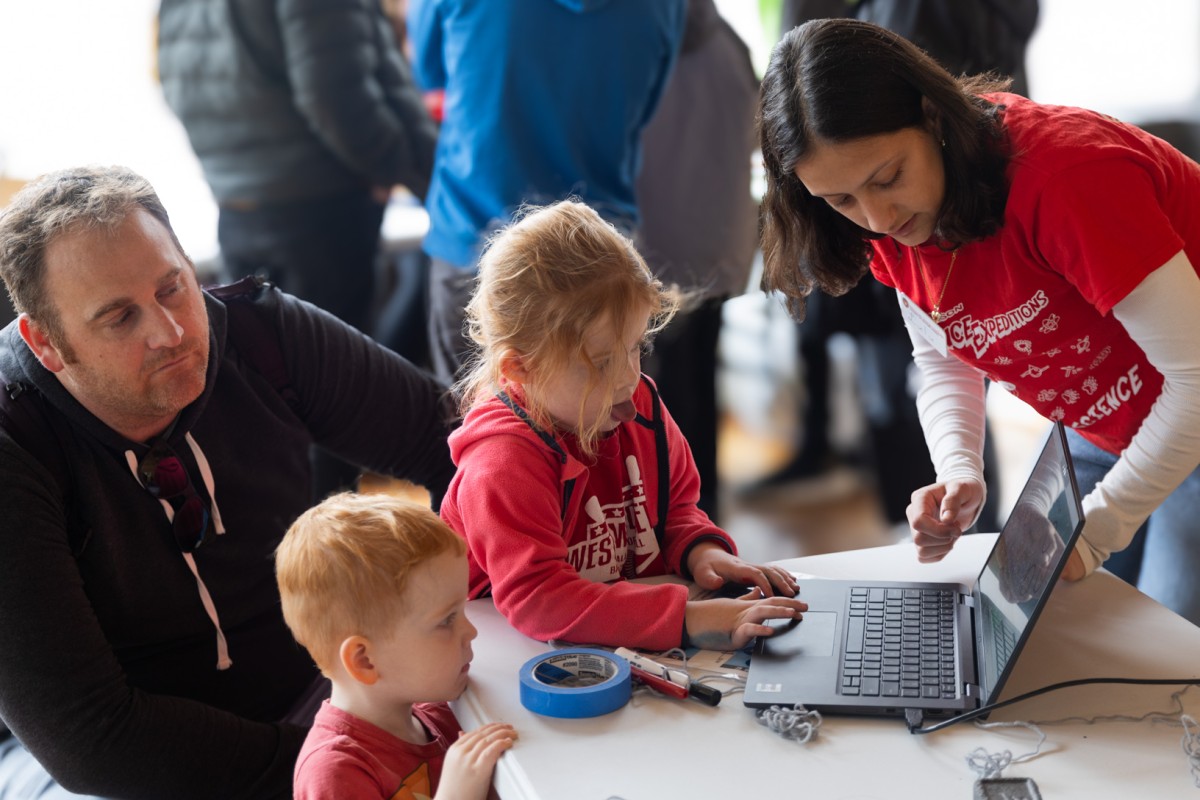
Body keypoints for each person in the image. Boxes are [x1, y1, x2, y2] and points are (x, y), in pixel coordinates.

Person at [0, 166, 457, 798]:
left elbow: (459, 446)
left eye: (172, 287)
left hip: (322, 701)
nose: (172, 333)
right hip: (107, 768)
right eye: (119, 318)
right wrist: (349, 768)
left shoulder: (261, 335)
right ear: (45, 343)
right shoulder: (13, 443)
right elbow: (92, 739)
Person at [757, 18, 1200, 626]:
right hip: (1108, 421)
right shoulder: (890, 219)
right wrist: (960, 468)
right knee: (1079, 627)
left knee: (1173, 638)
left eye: (888, 178)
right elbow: (942, 351)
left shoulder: (1067, 180)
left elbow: (1196, 378)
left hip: (1188, 397)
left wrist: (1101, 530)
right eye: (840, 200)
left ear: (932, 116)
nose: (878, 218)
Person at [441, 200, 807, 652]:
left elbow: (674, 512)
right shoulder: (501, 464)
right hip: (509, 663)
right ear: (520, 369)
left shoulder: (635, 403)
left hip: (621, 647)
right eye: (600, 363)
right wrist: (687, 618)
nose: (628, 376)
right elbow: (540, 598)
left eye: (635, 347)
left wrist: (704, 554)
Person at [156, 0, 440, 499]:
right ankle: (332, 557)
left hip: (240, 202)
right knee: (333, 397)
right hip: (321, 207)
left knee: (256, 392)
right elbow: (337, 93)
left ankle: (288, 556)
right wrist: (404, 170)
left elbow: (176, 77)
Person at [405, 0, 686, 385]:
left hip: (475, 236)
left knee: (476, 431)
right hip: (604, 255)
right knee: (608, 433)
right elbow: (647, 105)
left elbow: (430, 77)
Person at [275, 492, 517, 800]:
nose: (471, 632)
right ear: (365, 661)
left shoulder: (440, 710)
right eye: (446, 620)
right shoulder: (335, 772)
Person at [635, 0, 760, 521]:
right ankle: (705, 516)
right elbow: (758, 129)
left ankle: (672, 525)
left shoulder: (636, 43)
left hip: (654, 248)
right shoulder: (726, 40)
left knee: (651, 399)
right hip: (717, 240)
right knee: (699, 386)